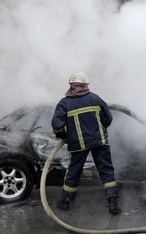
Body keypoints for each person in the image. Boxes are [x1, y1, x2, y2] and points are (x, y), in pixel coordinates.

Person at [51, 71, 121, 215]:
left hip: (78, 144)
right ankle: (113, 203)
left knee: (74, 172)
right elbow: (108, 118)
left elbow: (57, 125)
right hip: (99, 141)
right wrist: (99, 129)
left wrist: (63, 135)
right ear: (85, 85)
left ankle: (65, 202)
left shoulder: (64, 103)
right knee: (106, 171)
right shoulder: (95, 98)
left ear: (71, 85)